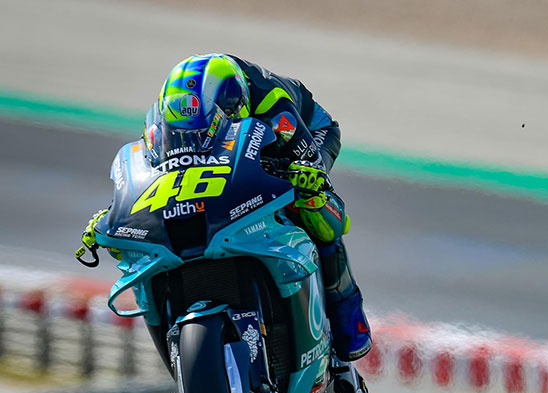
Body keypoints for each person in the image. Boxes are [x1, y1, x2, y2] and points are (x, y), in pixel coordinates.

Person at [77, 53, 371, 361]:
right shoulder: (168, 119)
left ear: (235, 103)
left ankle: (349, 322)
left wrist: (307, 178)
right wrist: (116, 215)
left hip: (308, 134)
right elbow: (154, 173)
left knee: (308, 200)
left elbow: (309, 168)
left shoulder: (274, 106)